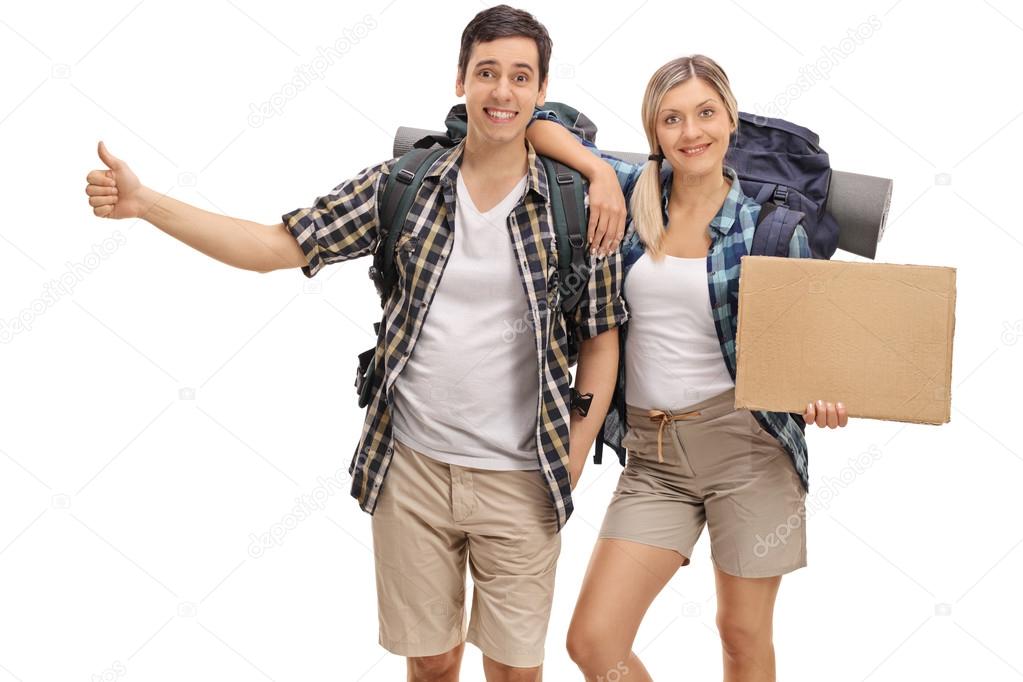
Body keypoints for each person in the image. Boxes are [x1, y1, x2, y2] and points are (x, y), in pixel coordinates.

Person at [83, 6, 628, 681]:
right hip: (411, 470)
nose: (502, 92)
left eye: (520, 77)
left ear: (541, 92)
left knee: (515, 671)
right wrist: (146, 204)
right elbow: (273, 248)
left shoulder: (578, 204)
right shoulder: (403, 185)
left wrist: (574, 455)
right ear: (460, 79)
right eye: (486, 73)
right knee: (430, 663)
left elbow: (601, 338)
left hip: (522, 477)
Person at [526, 55, 849, 681]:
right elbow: (536, 123)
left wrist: (823, 398)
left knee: (741, 637)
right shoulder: (626, 191)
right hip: (655, 457)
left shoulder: (771, 226)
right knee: (594, 643)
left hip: (748, 449)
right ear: (654, 132)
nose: (690, 132)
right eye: (671, 119)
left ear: (730, 119)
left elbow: (815, 350)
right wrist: (594, 168)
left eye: (705, 113)